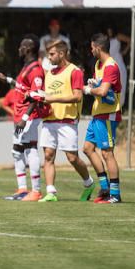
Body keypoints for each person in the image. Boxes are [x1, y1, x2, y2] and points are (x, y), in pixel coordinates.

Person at [37, 40, 95, 202]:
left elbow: (77, 96)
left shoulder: (74, 71)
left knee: (72, 158)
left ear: (62, 54)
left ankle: (88, 183)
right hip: (49, 120)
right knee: (48, 156)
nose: (49, 58)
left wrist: (51, 98)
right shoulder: (49, 74)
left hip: (67, 121)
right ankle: (50, 192)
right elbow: (46, 96)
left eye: (52, 54)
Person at [0, 35, 46, 201]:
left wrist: (25, 117)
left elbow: (36, 95)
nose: (19, 49)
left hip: (28, 116)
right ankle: (22, 189)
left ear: (28, 49)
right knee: (16, 151)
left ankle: (36, 191)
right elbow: (23, 87)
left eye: (21, 47)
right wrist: (7, 79)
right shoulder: (27, 67)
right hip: (20, 114)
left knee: (30, 150)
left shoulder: (36, 69)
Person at [80, 33, 123, 204]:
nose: (91, 51)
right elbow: (101, 87)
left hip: (108, 115)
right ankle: (104, 188)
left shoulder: (111, 66)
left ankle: (115, 194)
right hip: (97, 114)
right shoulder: (98, 65)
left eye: (92, 48)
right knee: (88, 148)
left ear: (98, 47)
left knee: (107, 153)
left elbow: (104, 91)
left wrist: (86, 89)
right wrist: (93, 85)